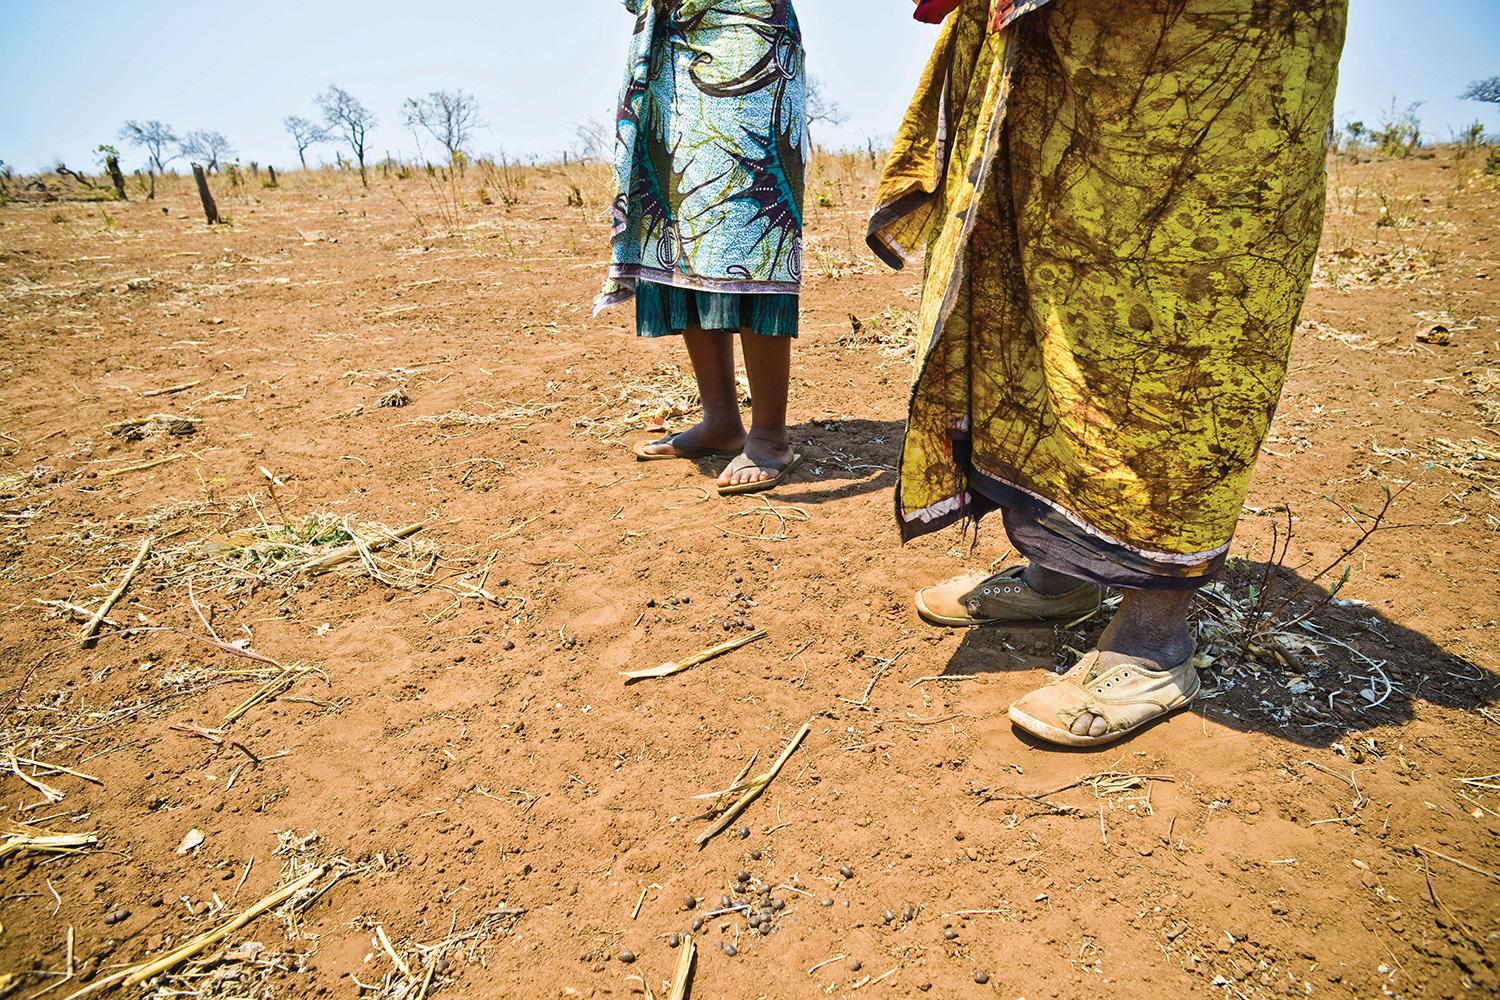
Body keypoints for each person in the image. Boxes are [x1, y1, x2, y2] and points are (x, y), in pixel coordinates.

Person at [873, 0, 1349, 745]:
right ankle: (1057, 576)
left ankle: (1154, 640)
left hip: (1206, 46)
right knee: (1046, 303)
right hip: (1065, 36)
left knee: (1173, 333)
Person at [597, 0, 809, 496]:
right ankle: (720, 420)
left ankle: (770, 435)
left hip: (747, 35)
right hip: (673, 47)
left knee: (749, 225)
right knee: (682, 227)